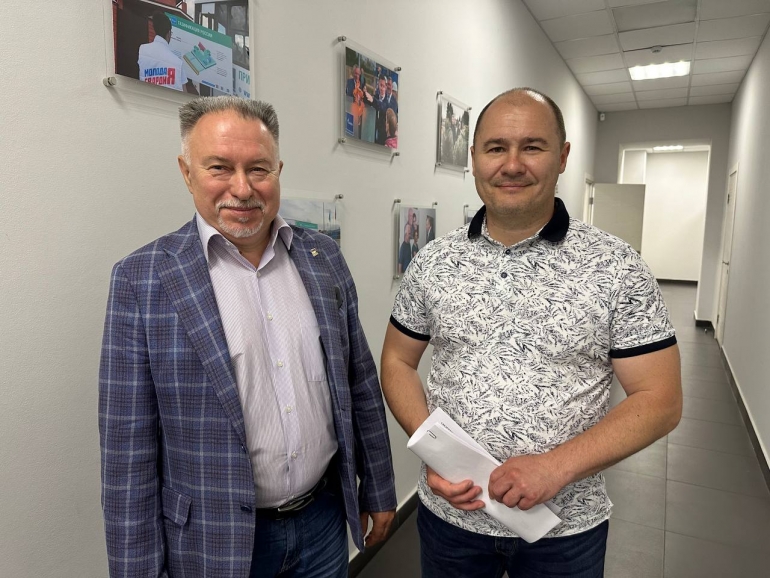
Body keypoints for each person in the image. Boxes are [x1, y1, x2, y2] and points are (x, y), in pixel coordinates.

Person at [381, 87, 682, 578]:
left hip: (564, 530)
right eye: (496, 148)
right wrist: (433, 450)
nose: (512, 164)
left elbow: (661, 399)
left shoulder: (616, 266)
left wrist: (555, 468)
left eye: (533, 147)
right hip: (453, 520)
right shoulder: (434, 262)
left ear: (562, 157)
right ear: (474, 158)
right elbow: (397, 360)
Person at [99, 96, 396, 578]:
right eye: (219, 167)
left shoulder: (323, 258)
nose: (242, 188)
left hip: (322, 522)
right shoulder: (143, 280)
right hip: (215, 541)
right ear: (187, 172)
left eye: (258, 169)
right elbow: (126, 451)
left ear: (278, 170)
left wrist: (379, 487)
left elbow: (359, 381)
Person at [138, 11, 198, 94]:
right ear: (169, 33)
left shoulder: (142, 50)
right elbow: (184, 95)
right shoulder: (178, 63)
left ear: (155, 30)